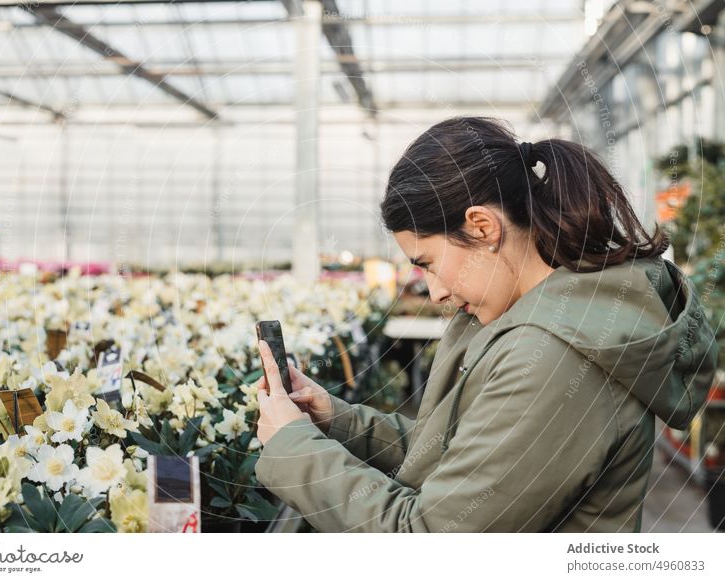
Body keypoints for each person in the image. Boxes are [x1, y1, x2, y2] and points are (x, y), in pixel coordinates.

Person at [253, 116, 719, 532]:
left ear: (482, 227)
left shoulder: (554, 358)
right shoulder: (533, 319)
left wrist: (294, 449)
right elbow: (455, 455)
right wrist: (335, 420)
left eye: (429, 263)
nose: (433, 292)